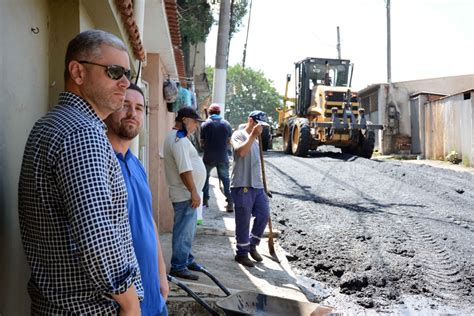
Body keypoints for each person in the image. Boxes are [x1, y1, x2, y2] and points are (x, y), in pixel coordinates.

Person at [18, 29, 142, 315]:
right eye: (114, 71)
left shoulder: (53, 124)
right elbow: (97, 233)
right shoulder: (82, 133)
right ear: (77, 72)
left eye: (127, 73)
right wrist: (130, 302)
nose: (125, 83)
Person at [105, 83, 169, 316]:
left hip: (154, 297)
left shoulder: (137, 165)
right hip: (126, 303)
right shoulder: (100, 165)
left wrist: (161, 274)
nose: (133, 113)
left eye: (140, 108)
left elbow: (148, 222)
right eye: (125, 105)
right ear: (110, 108)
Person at [163, 107, 206, 280]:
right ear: (186, 120)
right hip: (185, 194)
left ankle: (187, 259)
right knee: (183, 230)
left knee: (188, 230)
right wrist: (194, 192)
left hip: (188, 194)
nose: (196, 126)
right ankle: (179, 266)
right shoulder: (178, 140)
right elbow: (184, 170)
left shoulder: (179, 138)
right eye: (195, 122)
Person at [230, 110, 270, 267]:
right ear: (250, 120)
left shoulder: (257, 141)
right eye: (258, 124)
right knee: (243, 221)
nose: (261, 129)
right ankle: (241, 253)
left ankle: (252, 245)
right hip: (242, 185)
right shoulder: (238, 135)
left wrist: (264, 186)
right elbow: (241, 152)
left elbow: (256, 165)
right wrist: (253, 135)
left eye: (262, 126)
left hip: (257, 186)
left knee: (263, 214)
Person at [200, 103, 233, 212]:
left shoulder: (205, 124)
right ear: (219, 113)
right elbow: (229, 142)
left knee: (204, 179)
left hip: (208, 157)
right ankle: (230, 203)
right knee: (226, 180)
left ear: (209, 113)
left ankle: (205, 201)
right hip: (222, 157)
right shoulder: (226, 124)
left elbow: (202, 142)